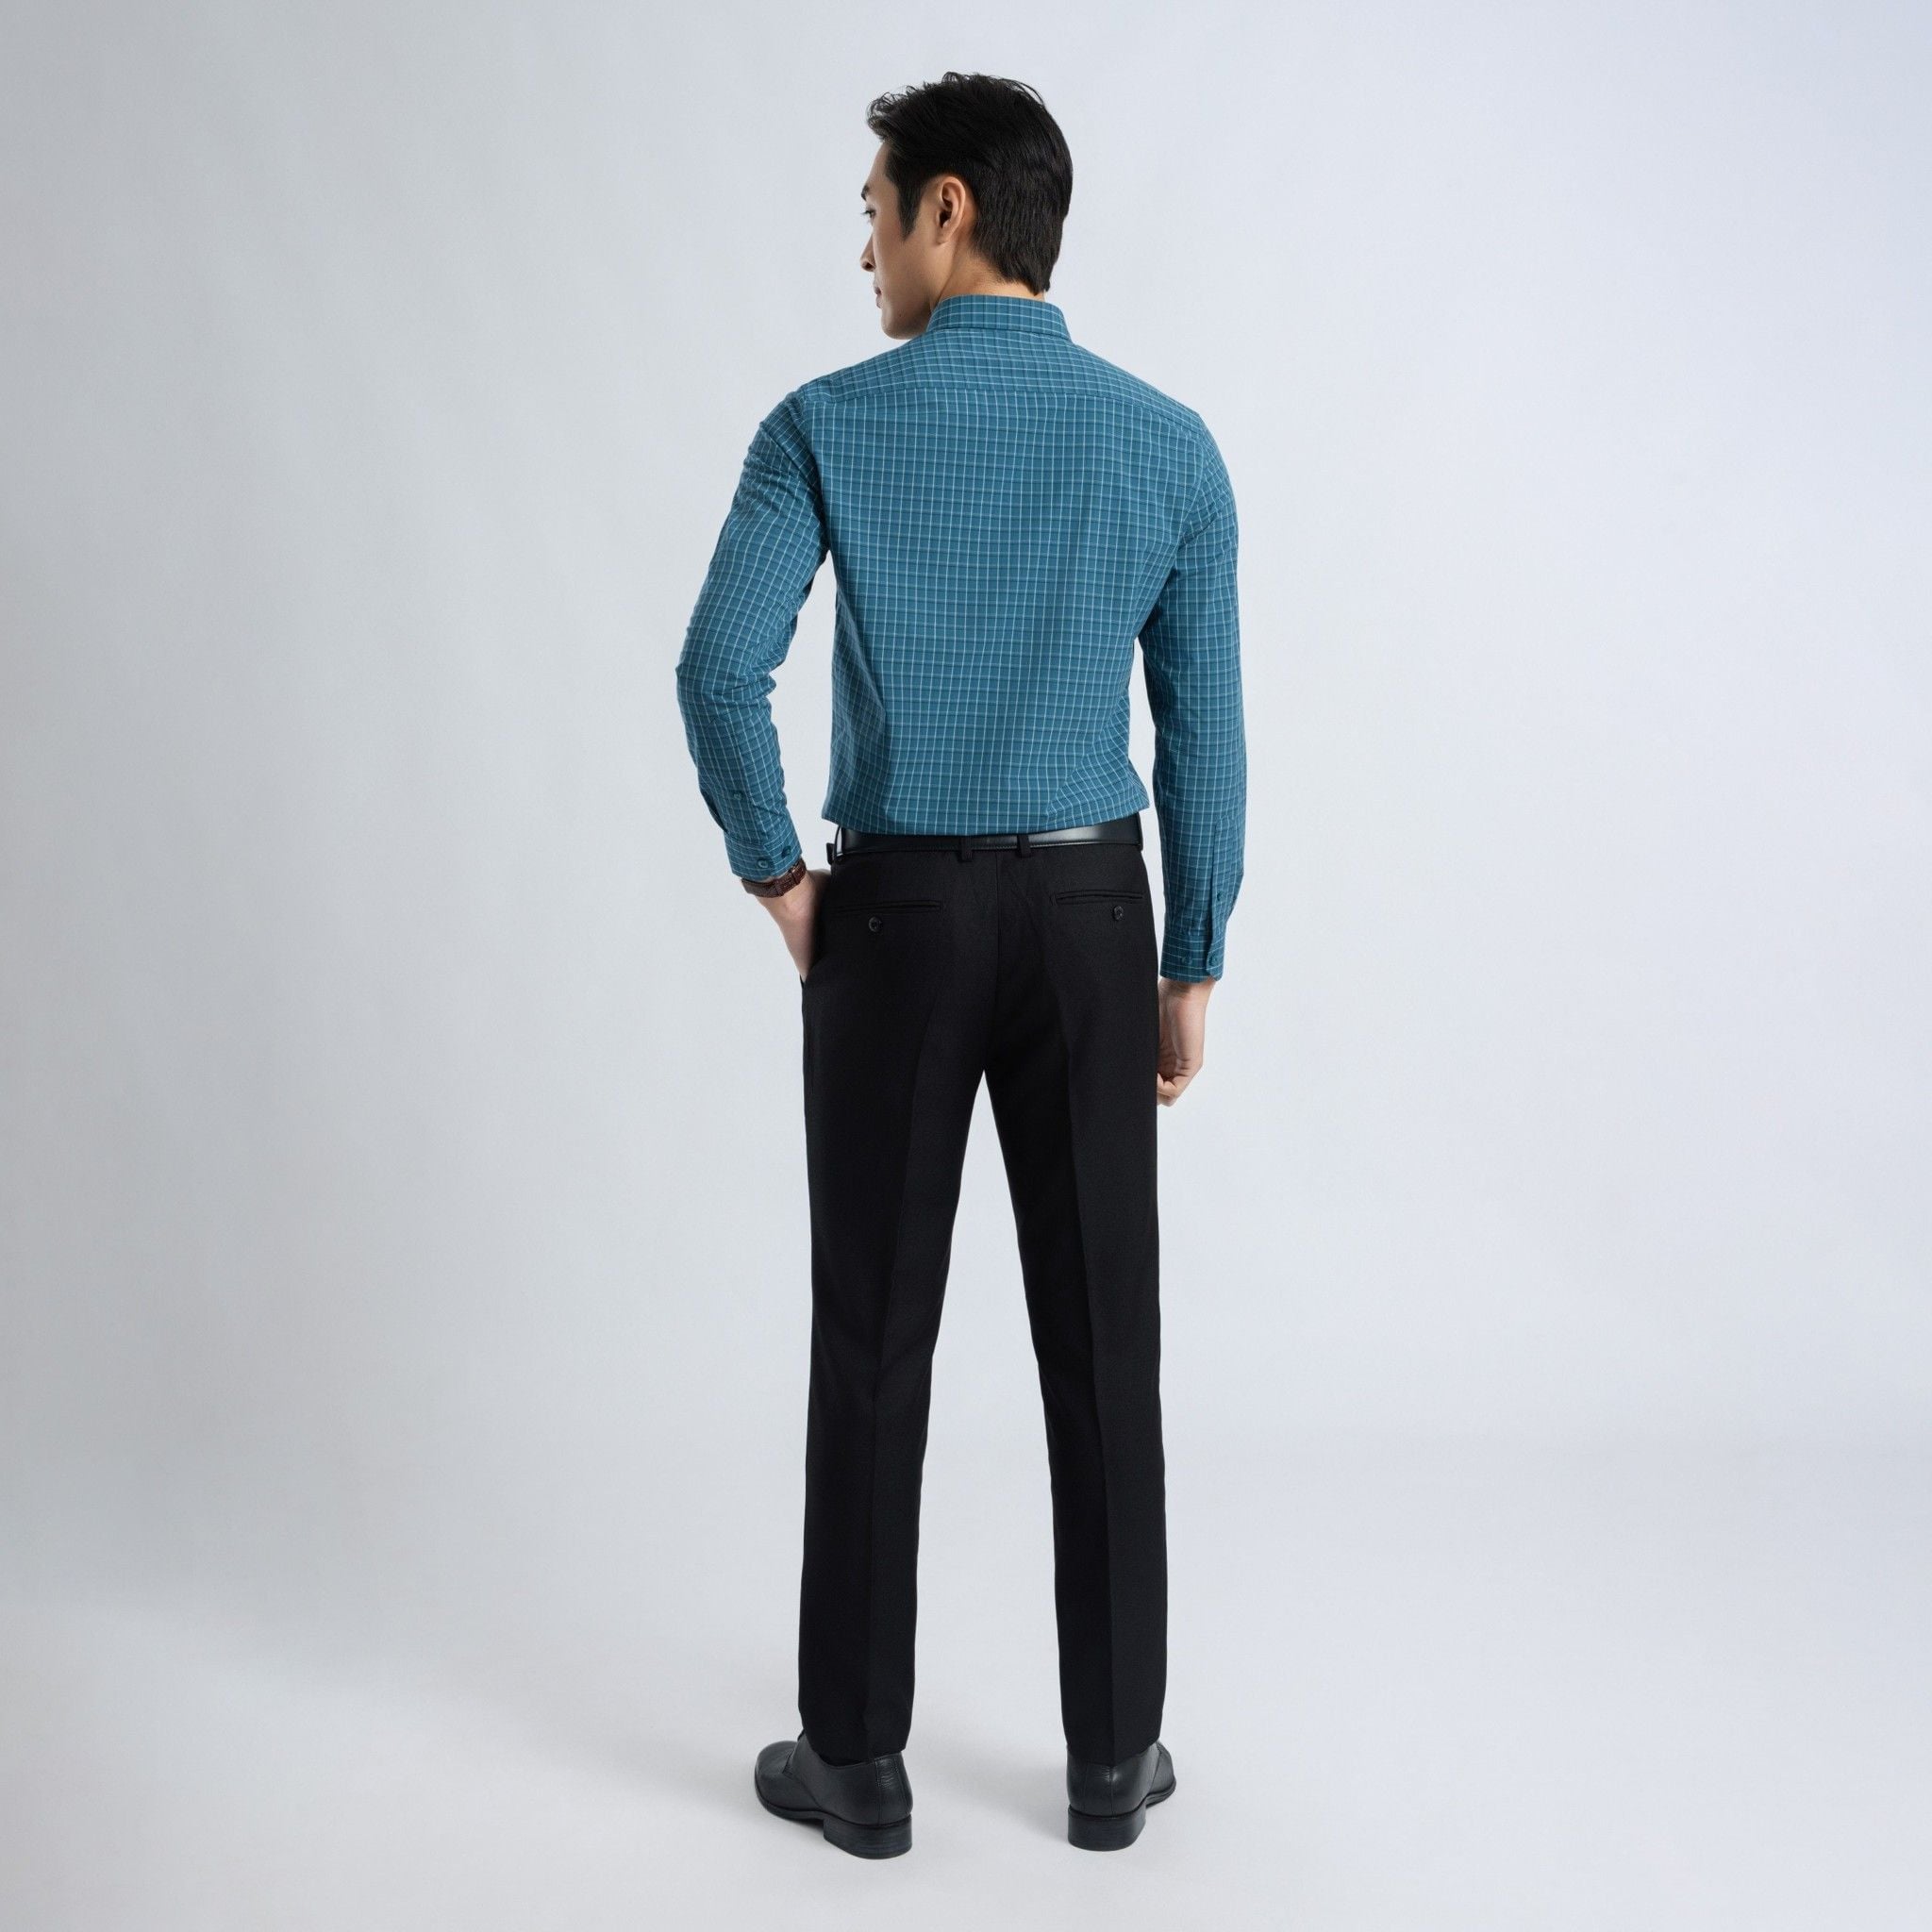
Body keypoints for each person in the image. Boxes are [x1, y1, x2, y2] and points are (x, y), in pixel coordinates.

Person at [675, 71, 1245, 1858]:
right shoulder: (1168, 444)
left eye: (873, 211)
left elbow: (717, 669)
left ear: (948, 209)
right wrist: (1190, 956)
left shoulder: (824, 426)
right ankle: (1112, 1760)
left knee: (872, 1335)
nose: (861, 251)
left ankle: (854, 1763)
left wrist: (782, 880)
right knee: (1106, 1339)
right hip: (1090, 921)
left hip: (898, 923)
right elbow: (1204, 731)